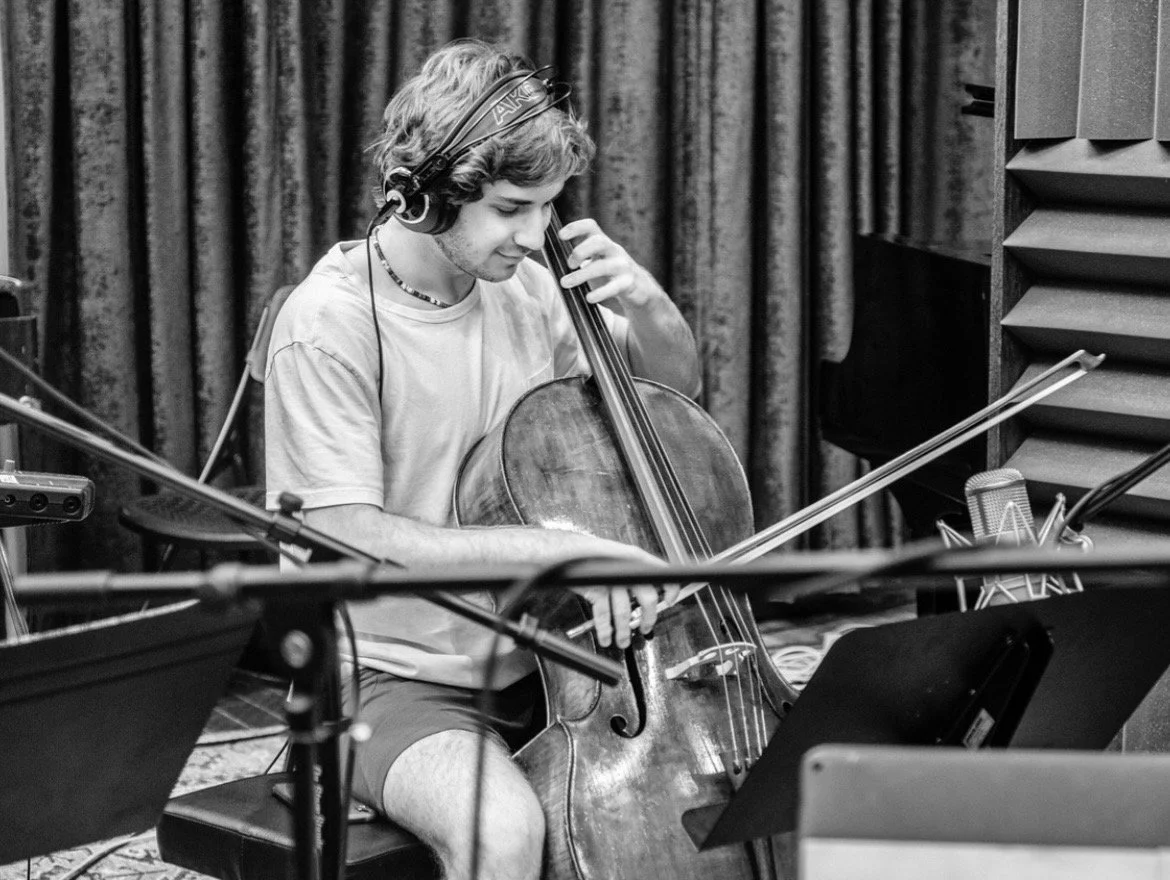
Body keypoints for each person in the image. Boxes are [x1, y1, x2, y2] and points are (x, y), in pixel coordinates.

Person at [264, 38, 700, 880]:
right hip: (388, 677)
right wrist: (557, 552)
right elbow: (345, 534)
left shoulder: (527, 289)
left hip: (547, 655)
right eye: (511, 208)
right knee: (504, 834)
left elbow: (666, 395)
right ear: (424, 197)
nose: (537, 235)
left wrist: (648, 303)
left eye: (548, 206)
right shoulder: (327, 325)